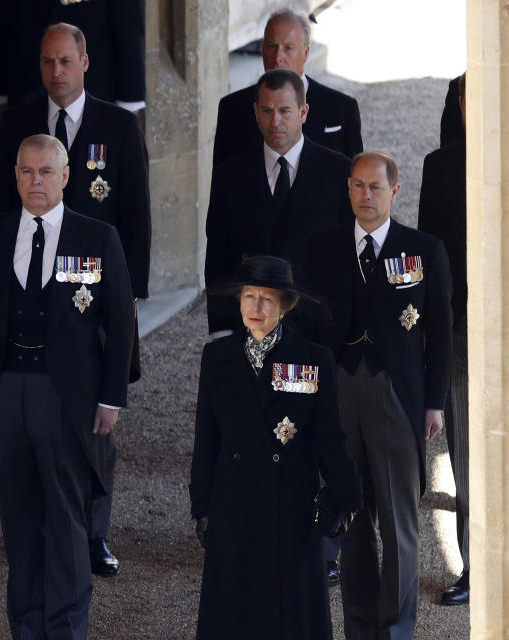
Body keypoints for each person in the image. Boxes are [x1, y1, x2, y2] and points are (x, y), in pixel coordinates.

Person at [0, 22, 151, 576]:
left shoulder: (119, 126)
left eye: (65, 61)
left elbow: (136, 218)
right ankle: (41, 524)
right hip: (32, 302)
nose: (56, 73)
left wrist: (131, 301)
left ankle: (92, 533)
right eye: (47, 62)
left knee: (96, 425)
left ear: (86, 63)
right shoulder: (16, 124)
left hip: (95, 300)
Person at [0, 134, 134, 639]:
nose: (35, 181)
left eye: (45, 172)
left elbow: (121, 321)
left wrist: (110, 398)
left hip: (67, 398)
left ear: (65, 177)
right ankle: (27, 627)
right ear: (15, 176)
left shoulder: (97, 237)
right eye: (26, 172)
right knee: (18, 522)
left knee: (65, 521)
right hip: (6, 392)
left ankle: (65, 630)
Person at [305, 150, 453, 640]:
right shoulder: (323, 248)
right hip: (340, 390)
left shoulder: (423, 250)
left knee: (400, 524)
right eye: (357, 186)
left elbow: (441, 332)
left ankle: (397, 628)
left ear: (395, 191)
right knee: (351, 516)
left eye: (375, 187)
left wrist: (434, 403)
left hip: (396, 395)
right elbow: (309, 326)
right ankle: (361, 628)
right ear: (347, 189)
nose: (365, 196)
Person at [190, 254, 361, 639]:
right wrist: (201, 506)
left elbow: (329, 437)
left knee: (290, 615)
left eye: (267, 298)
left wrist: (346, 496)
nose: (256, 307)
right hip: (233, 504)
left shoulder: (313, 361)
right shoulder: (217, 358)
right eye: (249, 296)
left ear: (286, 306)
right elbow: (207, 440)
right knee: (235, 612)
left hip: (290, 507)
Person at [205, 69, 351, 339]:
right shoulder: (230, 175)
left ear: (303, 113)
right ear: (255, 112)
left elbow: (347, 256)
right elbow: (217, 255)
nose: (275, 121)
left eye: (285, 111)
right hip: (247, 329)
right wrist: (221, 329)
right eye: (267, 110)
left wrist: (343, 329)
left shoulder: (340, 173)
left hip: (317, 331)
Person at [418, 71, 469, 606]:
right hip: (460, 324)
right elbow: (433, 259)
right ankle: (472, 564)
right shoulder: (438, 168)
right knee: (467, 446)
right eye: (466, 99)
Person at [212, 8, 362, 166]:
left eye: (288, 48)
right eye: (271, 46)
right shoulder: (232, 109)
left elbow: (358, 180)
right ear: (262, 49)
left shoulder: (342, 109)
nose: (278, 57)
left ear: (306, 53)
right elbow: (221, 183)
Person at [0, 0, 145, 109]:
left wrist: (130, 98)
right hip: (27, 86)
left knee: (93, 158)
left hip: (94, 89)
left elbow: (128, 25)